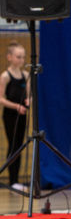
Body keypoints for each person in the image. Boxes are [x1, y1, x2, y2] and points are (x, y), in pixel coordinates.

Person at [0, 41, 30, 192]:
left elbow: (30, 95)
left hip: (23, 114)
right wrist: (16, 106)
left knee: (20, 145)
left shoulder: (26, 75)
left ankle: (16, 180)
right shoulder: (5, 76)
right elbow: (1, 98)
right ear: (9, 57)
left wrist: (28, 101)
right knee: (13, 145)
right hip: (11, 115)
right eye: (18, 57)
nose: (21, 60)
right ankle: (12, 180)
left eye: (23, 57)